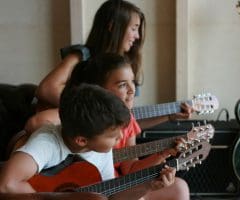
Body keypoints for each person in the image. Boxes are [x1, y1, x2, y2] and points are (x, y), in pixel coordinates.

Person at [24, 0, 193, 133]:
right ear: (112, 26)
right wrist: (93, 111)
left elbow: (126, 119)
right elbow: (46, 89)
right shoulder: (82, 55)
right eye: (134, 28)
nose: (138, 36)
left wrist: (170, 115)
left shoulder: (127, 69)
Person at [0, 83, 176, 199]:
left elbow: (111, 197)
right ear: (82, 140)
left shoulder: (102, 152)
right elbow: (6, 185)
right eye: (113, 136)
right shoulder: (47, 143)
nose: (121, 138)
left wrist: (148, 186)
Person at [64, 54, 190, 200]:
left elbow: (130, 169)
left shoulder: (128, 121)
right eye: (122, 84)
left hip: (117, 186)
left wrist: (162, 154)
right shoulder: (83, 120)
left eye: (133, 82)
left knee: (179, 188)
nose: (132, 90)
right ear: (98, 90)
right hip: (89, 186)